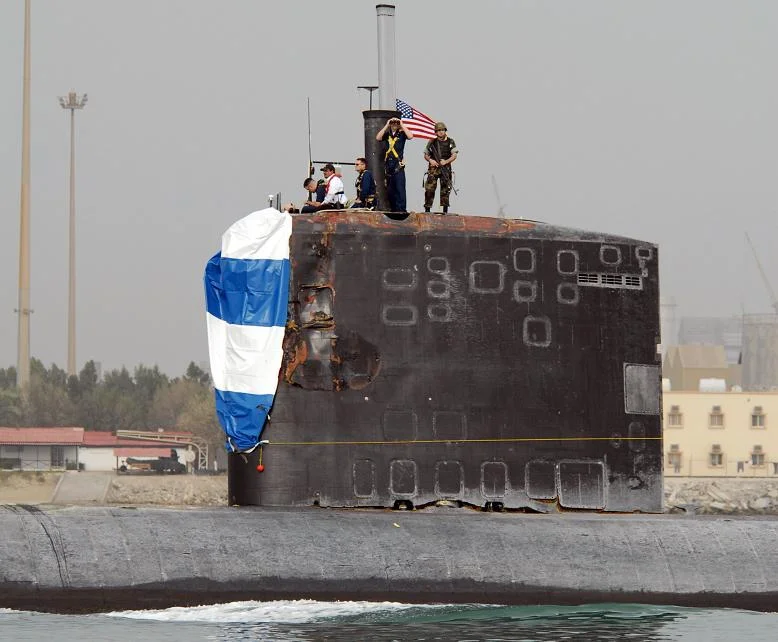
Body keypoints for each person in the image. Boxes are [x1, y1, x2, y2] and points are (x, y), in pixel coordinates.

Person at [376, 116, 413, 212]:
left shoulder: (401, 134)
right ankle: (393, 209)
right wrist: (387, 124)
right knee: (390, 188)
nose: (394, 125)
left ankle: (401, 209)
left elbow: (410, 136)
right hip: (388, 164)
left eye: (396, 123)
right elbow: (378, 137)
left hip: (398, 163)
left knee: (400, 187)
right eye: (393, 123)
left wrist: (402, 124)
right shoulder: (387, 134)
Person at [423, 121, 458, 214]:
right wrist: (431, 161)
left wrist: (445, 162)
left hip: (445, 168)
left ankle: (445, 211)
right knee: (429, 189)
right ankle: (427, 210)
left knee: (445, 190)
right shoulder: (432, 142)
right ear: (436, 132)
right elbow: (426, 155)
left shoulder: (450, 141)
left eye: (442, 130)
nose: (441, 132)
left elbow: (454, 155)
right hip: (434, 169)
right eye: (439, 130)